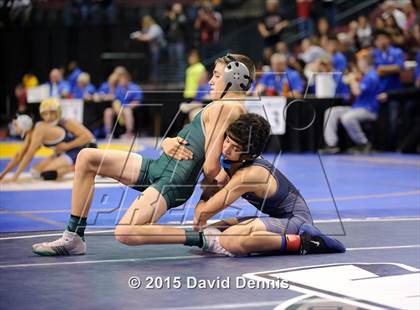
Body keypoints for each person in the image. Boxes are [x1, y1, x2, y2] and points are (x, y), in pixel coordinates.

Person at [31, 54, 256, 256]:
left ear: (234, 78)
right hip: (162, 166)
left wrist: (206, 201)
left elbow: (210, 166)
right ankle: (74, 237)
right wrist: (168, 142)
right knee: (87, 158)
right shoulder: (228, 106)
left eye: (216, 75)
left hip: (173, 178)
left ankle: (203, 239)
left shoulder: (228, 108)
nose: (210, 81)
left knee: (126, 232)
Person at [192, 113, 345, 256]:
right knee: (209, 231)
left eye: (235, 148)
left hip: (296, 221)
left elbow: (203, 213)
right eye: (227, 140)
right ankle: (269, 239)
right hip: (276, 218)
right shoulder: (233, 160)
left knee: (230, 239)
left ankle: (307, 242)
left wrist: (207, 186)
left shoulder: (249, 175)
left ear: (249, 153)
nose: (226, 149)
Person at [0, 98, 96, 182]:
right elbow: (19, 155)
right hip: (66, 151)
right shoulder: (36, 130)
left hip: (83, 148)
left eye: (52, 113)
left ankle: (87, 167)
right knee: (35, 172)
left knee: (47, 173)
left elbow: (89, 137)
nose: (48, 117)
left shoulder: (66, 122)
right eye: (45, 114)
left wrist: (15, 177)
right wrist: (2, 175)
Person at [321, 53, 381, 154]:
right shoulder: (365, 76)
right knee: (330, 112)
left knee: (347, 117)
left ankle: (363, 143)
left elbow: (357, 91)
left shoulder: (372, 76)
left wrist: (352, 79)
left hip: (369, 110)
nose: (358, 64)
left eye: (360, 62)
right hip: (356, 107)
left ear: (365, 63)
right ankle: (332, 145)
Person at [372, 29, 405, 149]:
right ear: (375, 42)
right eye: (378, 39)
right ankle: (381, 146)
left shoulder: (397, 52)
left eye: (383, 38)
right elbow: (375, 70)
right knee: (379, 120)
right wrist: (389, 69)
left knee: (393, 120)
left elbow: (399, 67)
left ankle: (393, 146)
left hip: (394, 92)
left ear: (388, 39)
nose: (381, 41)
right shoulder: (374, 53)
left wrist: (382, 69)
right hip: (378, 91)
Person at [103, 71, 142, 138]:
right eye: (120, 79)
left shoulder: (134, 87)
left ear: (127, 79)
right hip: (118, 108)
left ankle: (129, 133)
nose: (122, 81)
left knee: (127, 111)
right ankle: (108, 133)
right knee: (108, 111)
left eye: (123, 79)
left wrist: (126, 107)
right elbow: (115, 100)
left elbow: (137, 101)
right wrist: (117, 108)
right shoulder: (118, 88)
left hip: (128, 108)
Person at [130, 15, 166, 82]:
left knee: (157, 65)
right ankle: (154, 79)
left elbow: (148, 38)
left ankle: (157, 81)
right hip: (154, 50)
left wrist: (138, 37)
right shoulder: (148, 28)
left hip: (160, 49)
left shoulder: (155, 28)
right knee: (153, 65)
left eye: (144, 22)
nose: (143, 24)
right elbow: (142, 33)